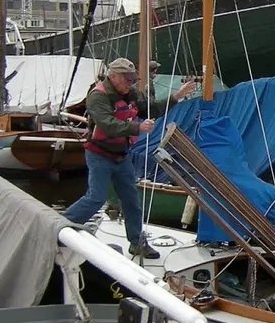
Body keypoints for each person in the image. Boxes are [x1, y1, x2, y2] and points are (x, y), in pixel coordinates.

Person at [63, 57, 195, 258]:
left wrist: (176, 96)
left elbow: (149, 109)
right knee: (96, 198)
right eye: (126, 79)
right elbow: (108, 124)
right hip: (99, 154)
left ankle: (137, 242)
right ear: (113, 77)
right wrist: (137, 127)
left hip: (122, 156)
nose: (130, 83)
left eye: (132, 79)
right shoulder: (98, 97)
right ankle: (61, 225)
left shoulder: (130, 93)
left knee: (132, 201)